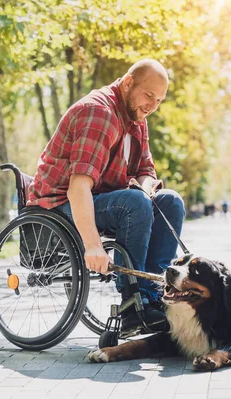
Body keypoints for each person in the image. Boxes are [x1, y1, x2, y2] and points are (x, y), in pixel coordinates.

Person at [27, 59, 185, 334]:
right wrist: (93, 246)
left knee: (170, 201)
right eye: (148, 95)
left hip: (103, 199)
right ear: (127, 83)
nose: (151, 106)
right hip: (59, 204)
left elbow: (145, 170)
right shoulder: (99, 113)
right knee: (133, 204)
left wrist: (146, 189)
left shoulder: (136, 118)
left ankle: (154, 294)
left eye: (158, 100)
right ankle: (133, 303)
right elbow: (78, 188)